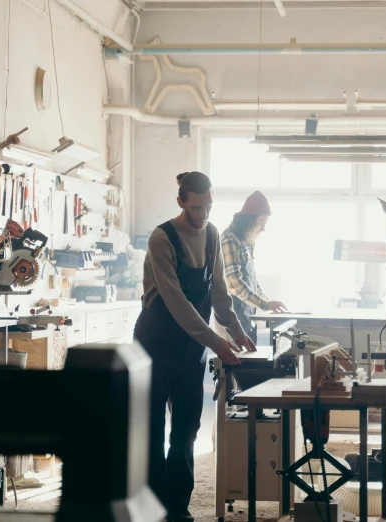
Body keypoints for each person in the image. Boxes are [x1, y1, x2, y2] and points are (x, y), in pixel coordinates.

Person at [134, 171, 257, 522]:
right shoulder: (162, 238)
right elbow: (176, 302)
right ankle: (154, 510)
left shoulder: (213, 234)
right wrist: (216, 340)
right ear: (180, 202)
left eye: (209, 207)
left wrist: (236, 330)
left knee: (187, 430)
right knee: (153, 432)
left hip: (190, 350)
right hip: (154, 346)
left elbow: (219, 291)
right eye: (197, 209)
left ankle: (178, 509)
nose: (203, 216)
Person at [221, 190, 287, 343]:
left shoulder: (247, 240)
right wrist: (264, 304)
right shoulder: (230, 239)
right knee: (236, 365)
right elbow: (234, 284)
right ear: (249, 220)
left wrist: (269, 303)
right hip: (234, 321)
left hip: (247, 318)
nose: (263, 229)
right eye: (261, 222)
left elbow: (252, 280)